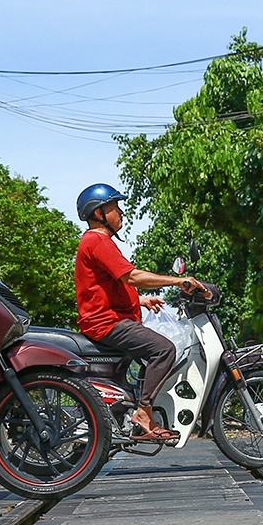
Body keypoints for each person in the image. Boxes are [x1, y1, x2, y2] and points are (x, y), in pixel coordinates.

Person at [73, 182, 203, 442]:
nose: (121, 213)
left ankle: (137, 407)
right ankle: (144, 413)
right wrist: (177, 281)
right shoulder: (97, 240)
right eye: (115, 208)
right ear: (98, 213)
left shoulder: (97, 241)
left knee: (150, 350)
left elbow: (106, 285)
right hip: (107, 323)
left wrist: (140, 301)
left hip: (110, 318)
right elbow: (131, 276)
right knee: (164, 349)